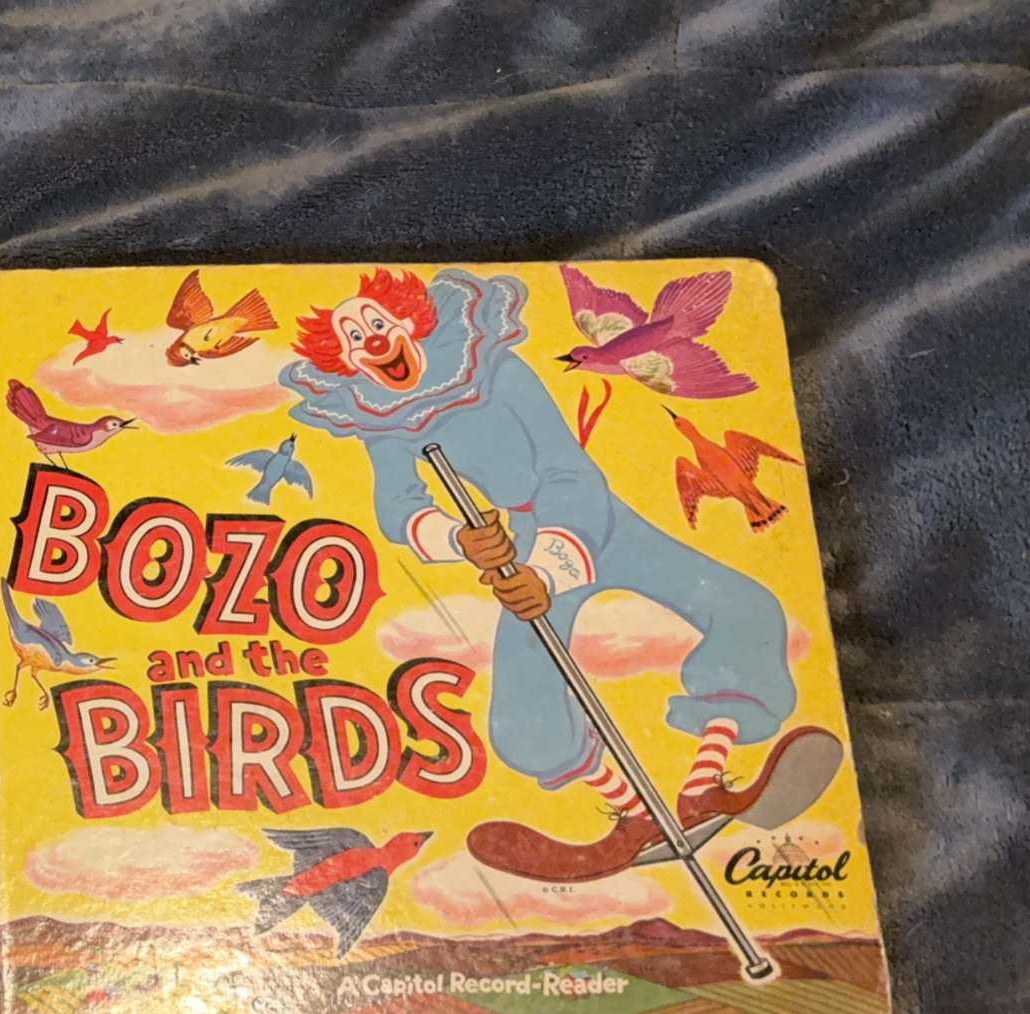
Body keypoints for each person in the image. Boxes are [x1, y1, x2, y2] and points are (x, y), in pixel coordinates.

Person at [279, 269, 811, 882]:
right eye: (353, 339)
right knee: (522, 707)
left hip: (595, 516)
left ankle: (705, 782)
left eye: (376, 324)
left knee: (745, 608)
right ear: (345, 361)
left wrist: (549, 568)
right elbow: (397, 508)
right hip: (519, 540)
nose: (370, 340)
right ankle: (634, 814)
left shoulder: (495, 369)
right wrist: (459, 538)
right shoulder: (384, 418)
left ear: (408, 323)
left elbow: (568, 468)